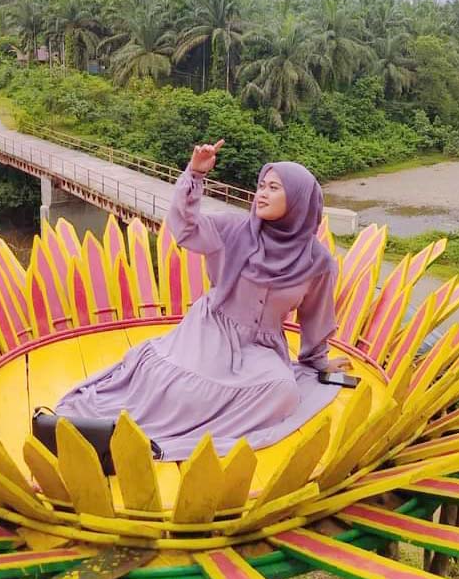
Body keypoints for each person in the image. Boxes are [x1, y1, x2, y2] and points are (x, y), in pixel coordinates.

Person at [55, 140, 350, 460]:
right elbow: (185, 228)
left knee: (284, 392)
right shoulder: (235, 230)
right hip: (211, 330)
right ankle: (113, 430)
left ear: (298, 200)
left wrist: (317, 361)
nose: (262, 193)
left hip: (261, 349)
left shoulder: (317, 262)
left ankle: (181, 436)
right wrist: (195, 175)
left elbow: (315, 317)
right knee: (180, 385)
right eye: (261, 185)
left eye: (274, 188)